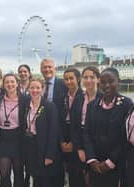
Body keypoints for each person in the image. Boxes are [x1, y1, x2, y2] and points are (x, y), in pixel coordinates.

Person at [84, 67, 132, 187]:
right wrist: (91, 159)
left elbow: (126, 137)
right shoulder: (92, 105)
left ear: (118, 81)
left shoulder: (127, 104)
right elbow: (87, 133)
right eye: (103, 82)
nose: (107, 85)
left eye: (111, 81)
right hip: (95, 164)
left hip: (115, 165)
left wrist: (110, 162)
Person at [23, 78, 60, 187]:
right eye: (32, 88)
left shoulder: (49, 106)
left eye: (38, 88)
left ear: (42, 89)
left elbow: (54, 132)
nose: (35, 90)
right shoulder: (26, 105)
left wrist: (49, 155)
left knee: (44, 179)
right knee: (34, 176)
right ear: (28, 89)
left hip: (44, 148)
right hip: (30, 146)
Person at [70, 66, 102, 186]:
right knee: (79, 178)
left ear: (98, 79)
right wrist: (79, 148)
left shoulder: (103, 98)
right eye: (85, 77)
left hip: (97, 143)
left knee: (95, 179)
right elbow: (73, 125)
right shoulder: (79, 99)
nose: (88, 80)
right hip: (80, 140)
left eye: (92, 77)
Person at [40, 58, 67, 186]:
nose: (47, 70)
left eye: (49, 67)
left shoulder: (63, 84)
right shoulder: (39, 86)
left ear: (54, 68)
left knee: (57, 169)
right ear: (41, 70)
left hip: (59, 132)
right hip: (41, 132)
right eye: (44, 67)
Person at [0, 73, 25, 187]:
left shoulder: (25, 100)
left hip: (18, 138)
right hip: (3, 138)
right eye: (7, 82)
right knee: (4, 174)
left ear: (17, 83)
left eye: (12, 81)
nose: (10, 84)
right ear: (3, 84)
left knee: (18, 173)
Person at [60, 68, 86, 187]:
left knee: (78, 176)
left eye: (71, 78)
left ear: (78, 79)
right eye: (66, 79)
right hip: (64, 137)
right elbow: (59, 120)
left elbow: (83, 124)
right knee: (67, 173)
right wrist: (61, 141)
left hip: (78, 140)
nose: (68, 81)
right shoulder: (63, 97)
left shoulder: (84, 97)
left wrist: (73, 143)